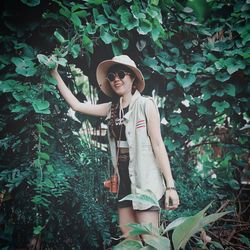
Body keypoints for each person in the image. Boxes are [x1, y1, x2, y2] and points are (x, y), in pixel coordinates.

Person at [50, 54, 180, 238]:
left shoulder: (145, 105)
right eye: (111, 76)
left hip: (145, 179)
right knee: (129, 238)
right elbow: (76, 105)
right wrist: (54, 73)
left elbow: (158, 145)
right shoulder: (111, 108)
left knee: (151, 240)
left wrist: (170, 187)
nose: (116, 79)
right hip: (123, 180)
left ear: (132, 77)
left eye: (121, 74)